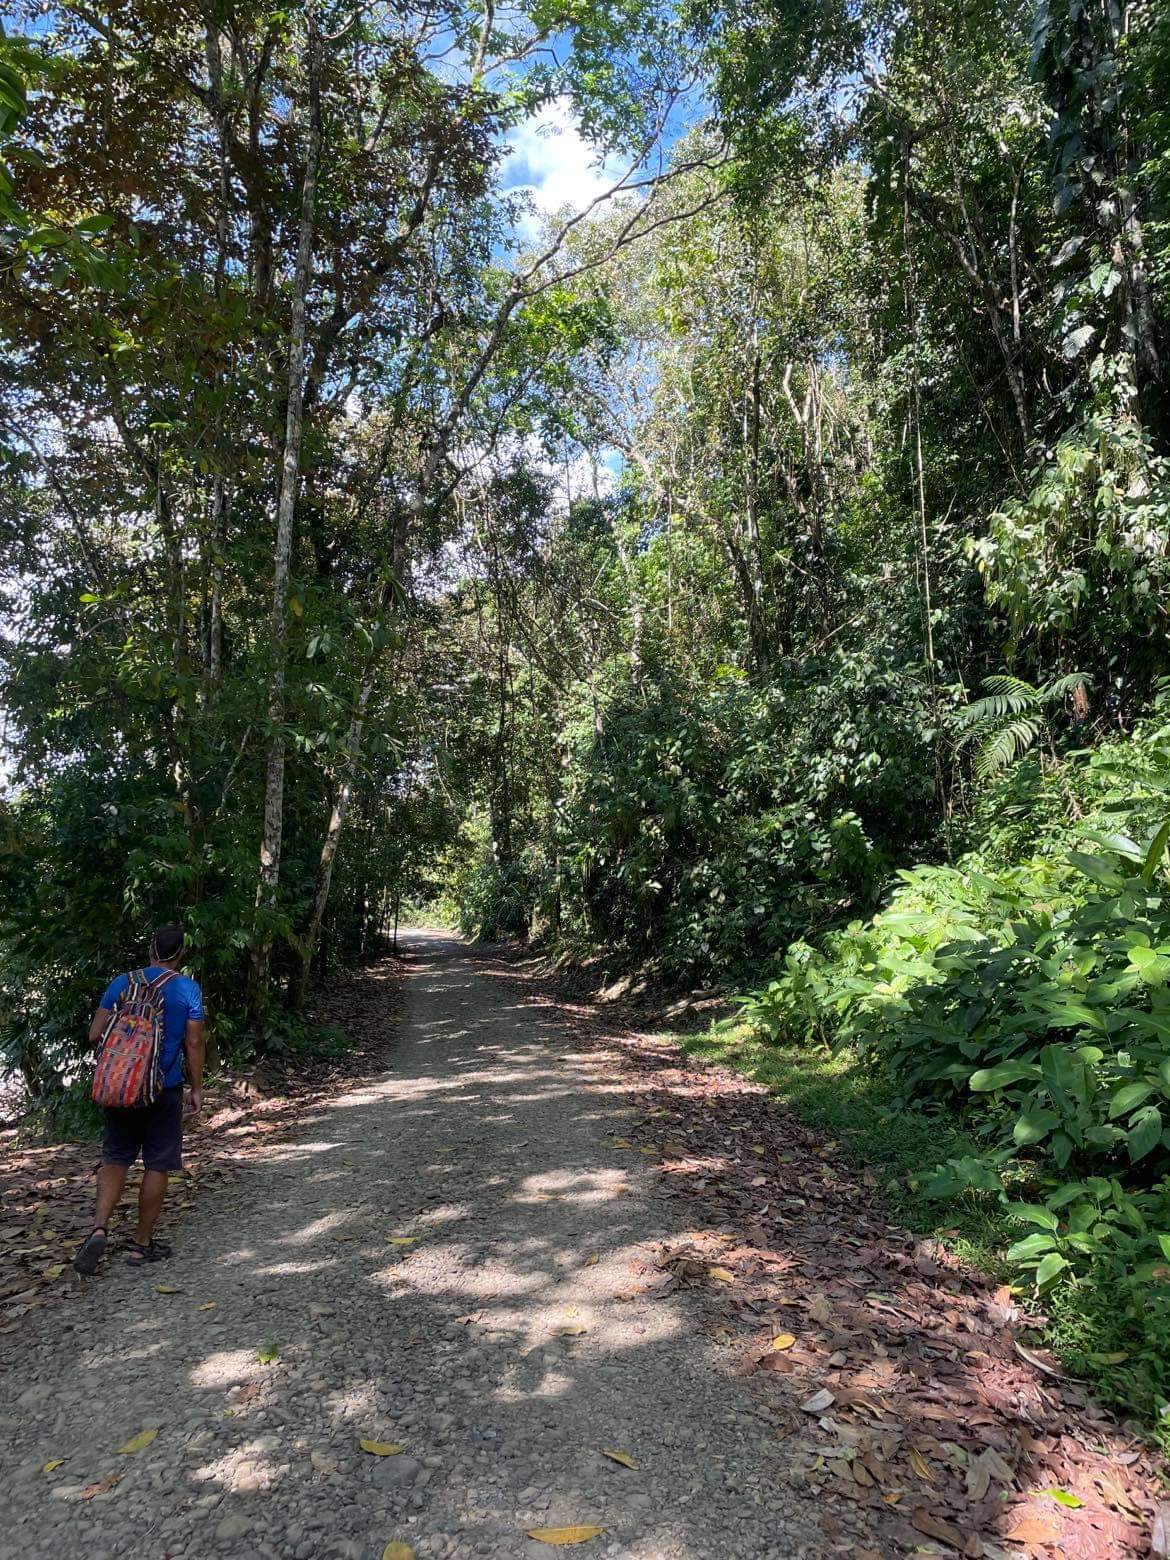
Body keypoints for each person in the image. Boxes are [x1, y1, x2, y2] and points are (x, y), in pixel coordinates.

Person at [73, 924, 206, 1274]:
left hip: (120, 1087)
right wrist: (197, 1087)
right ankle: (141, 1244)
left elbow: (94, 1034)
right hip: (163, 1088)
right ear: (181, 954)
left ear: (150, 949)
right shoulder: (187, 989)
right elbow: (193, 1043)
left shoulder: (122, 982)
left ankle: (99, 1228)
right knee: (157, 1163)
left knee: (115, 1157)